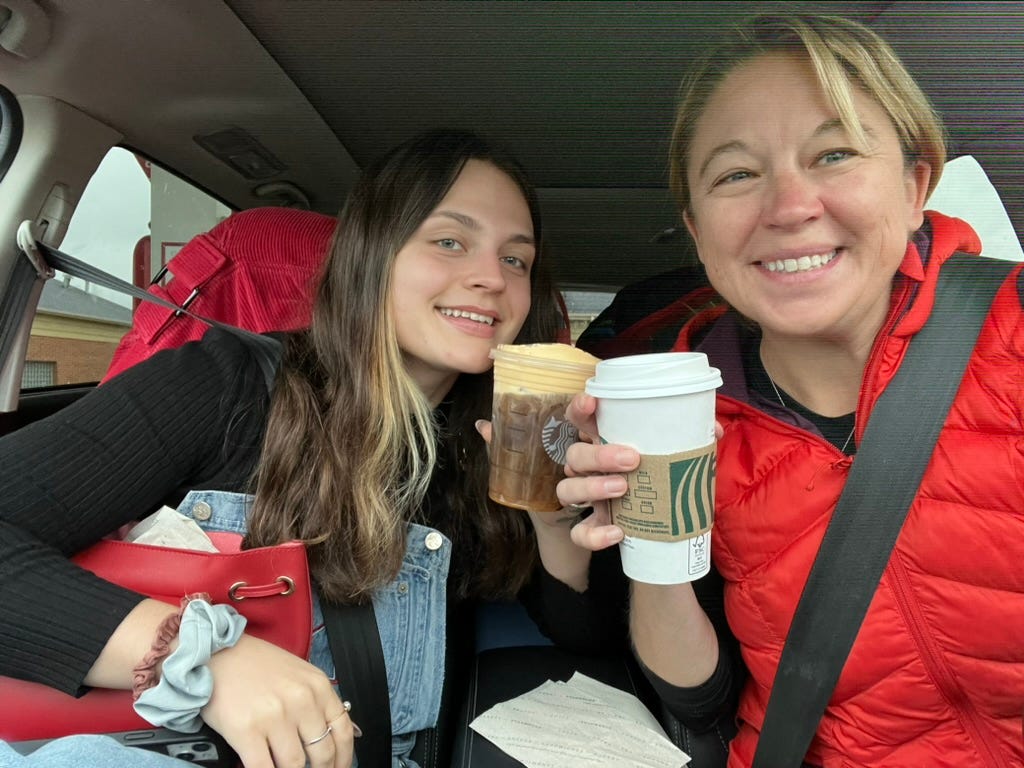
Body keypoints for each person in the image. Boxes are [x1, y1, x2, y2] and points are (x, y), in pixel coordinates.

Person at [0, 129, 624, 768]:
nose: (491, 277)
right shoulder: (225, 384)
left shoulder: (485, 443)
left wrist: (553, 521)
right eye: (449, 242)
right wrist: (202, 656)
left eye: (516, 260)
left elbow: (583, 635)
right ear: (370, 254)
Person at [560, 13, 1024, 768]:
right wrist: (645, 533)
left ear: (916, 186)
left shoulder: (1012, 328)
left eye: (834, 154)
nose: (788, 206)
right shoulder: (689, 419)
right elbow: (698, 703)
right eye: (737, 175)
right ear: (698, 231)